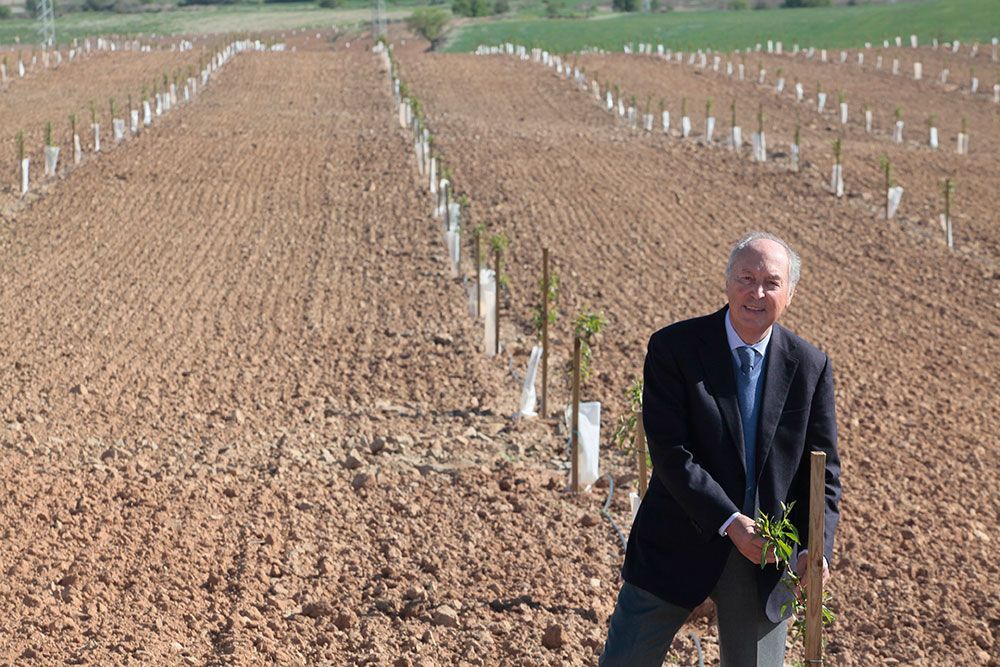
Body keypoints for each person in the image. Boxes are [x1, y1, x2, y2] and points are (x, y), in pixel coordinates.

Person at [600, 231, 841, 667]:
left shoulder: (810, 366)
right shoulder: (674, 348)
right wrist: (730, 521)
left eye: (771, 282)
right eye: (746, 278)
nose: (757, 292)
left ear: (791, 292)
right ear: (727, 281)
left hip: (765, 560)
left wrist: (814, 548)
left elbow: (822, 473)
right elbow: (672, 453)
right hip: (675, 540)